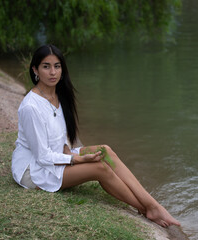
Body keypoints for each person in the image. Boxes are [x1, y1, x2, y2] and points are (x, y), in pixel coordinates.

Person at [11, 44, 180, 227]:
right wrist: (79, 160)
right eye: (46, 66)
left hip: (55, 157)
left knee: (105, 151)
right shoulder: (31, 107)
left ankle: (152, 205)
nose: (53, 72)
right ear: (35, 69)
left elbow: (61, 139)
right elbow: (42, 157)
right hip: (33, 171)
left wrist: (71, 153)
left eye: (57, 66)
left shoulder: (59, 95)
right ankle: (147, 209)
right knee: (100, 168)